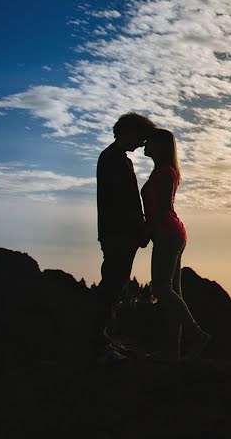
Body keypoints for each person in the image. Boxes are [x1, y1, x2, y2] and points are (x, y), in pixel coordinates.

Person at [142, 128, 210, 361]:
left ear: (160, 146)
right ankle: (173, 350)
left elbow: (160, 210)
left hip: (167, 234)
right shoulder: (164, 171)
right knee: (172, 292)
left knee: (161, 289)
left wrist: (146, 233)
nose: (144, 146)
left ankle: (196, 334)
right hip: (171, 234)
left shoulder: (165, 173)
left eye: (148, 142)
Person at [95, 112, 157, 364]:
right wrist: (141, 228)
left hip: (115, 232)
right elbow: (125, 202)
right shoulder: (115, 160)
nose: (142, 143)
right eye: (141, 137)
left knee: (114, 285)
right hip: (119, 233)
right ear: (128, 132)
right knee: (112, 286)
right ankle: (99, 345)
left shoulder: (113, 158)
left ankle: (104, 340)